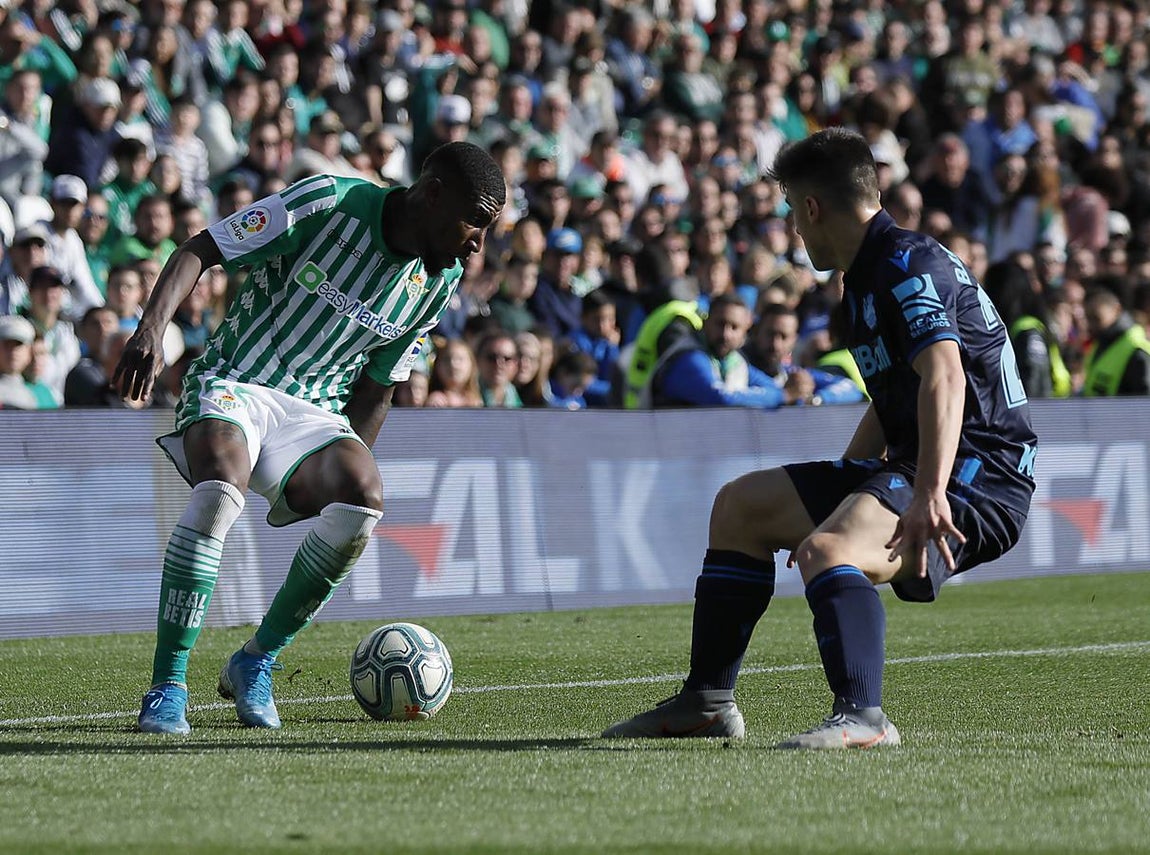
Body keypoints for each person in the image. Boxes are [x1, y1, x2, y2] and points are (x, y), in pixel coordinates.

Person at [603, 129, 1037, 749]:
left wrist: (930, 494)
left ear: (812, 208)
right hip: (919, 461)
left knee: (826, 551)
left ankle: (864, 717)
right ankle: (706, 700)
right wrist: (849, 477)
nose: (792, 229)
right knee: (740, 508)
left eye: (790, 210)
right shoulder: (862, 277)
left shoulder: (906, 264)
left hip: (978, 476)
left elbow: (944, 374)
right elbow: (894, 395)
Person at [112, 141, 506, 735]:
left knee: (364, 499)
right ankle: (168, 685)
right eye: (475, 221)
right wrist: (151, 330)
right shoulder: (329, 201)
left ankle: (256, 660)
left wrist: (341, 477)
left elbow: (377, 389)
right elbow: (202, 248)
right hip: (235, 379)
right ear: (431, 194)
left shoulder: (437, 282)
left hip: (313, 412)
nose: (478, 242)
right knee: (220, 489)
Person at [1081, 287, 1150, 396]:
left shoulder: (1136, 349)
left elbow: (1144, 402)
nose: (1091, 325)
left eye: (1096, 318)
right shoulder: (1104, 340)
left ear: (1117, 310)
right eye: (1088, 318)